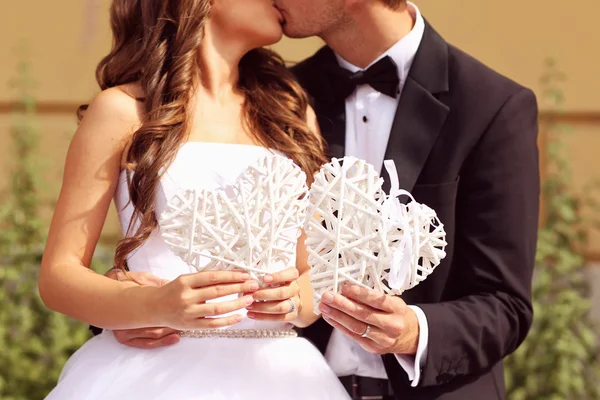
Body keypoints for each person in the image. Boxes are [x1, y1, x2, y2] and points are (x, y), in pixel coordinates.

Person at [109, 1, 540, 399]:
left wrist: (412, 332)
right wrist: (127, 308)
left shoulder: (493, 106)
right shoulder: (278, 99)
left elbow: (505, 304)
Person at [38, 0, 350, 399]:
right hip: (151, 375)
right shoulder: (122, 111)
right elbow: (58, 276)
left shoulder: (291, 113)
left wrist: (295, 301)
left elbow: (315, 272)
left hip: (280, 376)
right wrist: (148, 303)